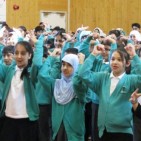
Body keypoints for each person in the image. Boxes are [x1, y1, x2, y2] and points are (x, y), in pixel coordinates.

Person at [77, 43, 141, 141]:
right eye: (112, 59)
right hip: (104, 131)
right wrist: (93, 54)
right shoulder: (102, 78)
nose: (115, 62)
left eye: (119, 60)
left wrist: (134, 56)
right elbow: (83, 74)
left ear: (127, 63)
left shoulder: (130, 80)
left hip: (123, 133)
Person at [38, 53, 87, 141]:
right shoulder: (56, 85)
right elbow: (42, 76)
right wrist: (52, 58)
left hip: (74, 132)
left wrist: (80, 64)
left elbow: (76, 82)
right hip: (58, 130)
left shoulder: (80, 86)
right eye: (63, 64)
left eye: (69, 65)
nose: (64, 68)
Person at [0, 41, 39, 141]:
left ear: (29, 55)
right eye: (16, 53)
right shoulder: (10, 70)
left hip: (26, 120)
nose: (19, 56)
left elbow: (37, 63)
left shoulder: (31, 73)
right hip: (8, 118)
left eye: (23, 53)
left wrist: (38, 43)